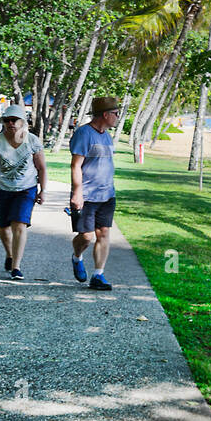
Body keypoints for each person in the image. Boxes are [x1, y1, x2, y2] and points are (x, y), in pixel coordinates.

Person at [0, 104, 47, 280]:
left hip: (26, 189)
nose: (10, 123)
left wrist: (43, 190)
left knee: (19, 224)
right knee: (3, 227)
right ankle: (10, 254)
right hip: (2, 188)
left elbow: (41, 168)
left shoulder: (32, 141)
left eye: (14, 120)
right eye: (7, 120)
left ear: (22, 122)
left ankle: (16, 267)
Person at [69, 96, 121, 290]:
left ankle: (98, 275)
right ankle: (76, 257)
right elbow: (76, 165)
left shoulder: (107, 135)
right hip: (87, 195)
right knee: (86, 236)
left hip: (107, 194)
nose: (117, 117)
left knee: (104, 233)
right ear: (106, 115)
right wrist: (77, 193)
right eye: (116, 113)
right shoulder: (84, 134)